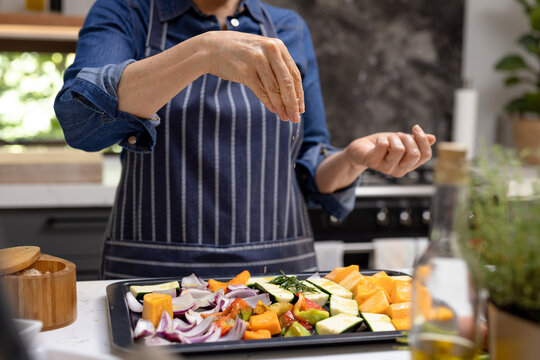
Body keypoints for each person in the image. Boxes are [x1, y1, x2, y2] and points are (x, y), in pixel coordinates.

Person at [54, 0, 436, 279]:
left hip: (279, 282)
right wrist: (202, 51)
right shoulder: (126, 12)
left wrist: (353, 159)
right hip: (153, 280)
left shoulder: (288, 28)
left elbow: (309, 166)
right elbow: (81, 121)